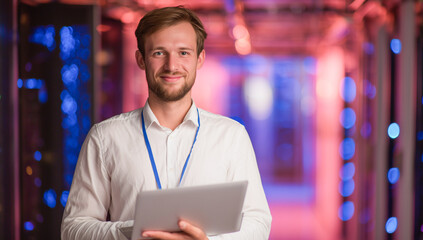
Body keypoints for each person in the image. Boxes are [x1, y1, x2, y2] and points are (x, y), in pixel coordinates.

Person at [61, 6, 271, 240]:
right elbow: (73, 229)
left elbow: (258, 221)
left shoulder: (232, 136)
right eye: (159, 53)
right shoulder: (105, 137)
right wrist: (138, 231)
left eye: (183, 53)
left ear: (199, 59)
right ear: (141, 59)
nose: (172, 66)